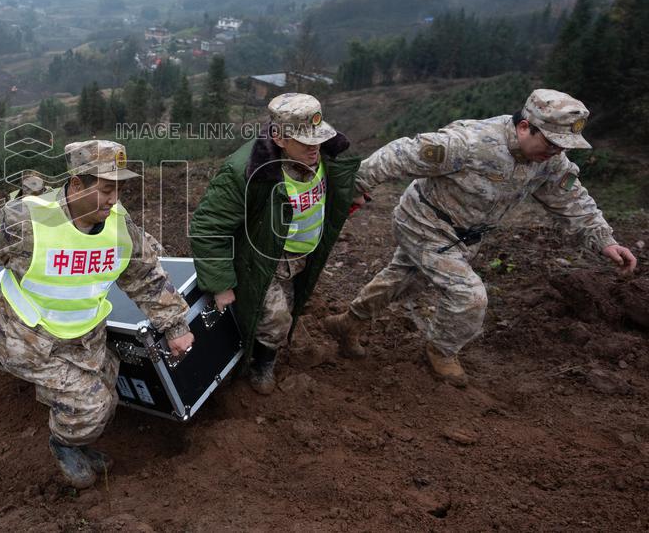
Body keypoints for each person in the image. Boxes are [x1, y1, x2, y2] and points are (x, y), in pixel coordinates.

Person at [0, 140, 194, 489]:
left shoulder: (119, 225)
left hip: (85, 337)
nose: (114, 200)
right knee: (91, 404)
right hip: (30, 341)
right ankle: (64, 443)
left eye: (119, 189)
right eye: (106, 189)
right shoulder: (27, 220)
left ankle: (77, 433)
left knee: (107, 392)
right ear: (77, 184)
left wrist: (175, 326)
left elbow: (145, 276)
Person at [324, 89, 638, 387]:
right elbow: (399, 154)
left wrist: (605, 240)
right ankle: (441, 352)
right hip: (423, 222)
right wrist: (354, 188)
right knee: (469, 296)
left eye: (563, 146)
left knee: (405, 278)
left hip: (465, 236)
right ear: (525, 127)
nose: (557, 151)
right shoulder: (472, 142)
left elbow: (572, 199)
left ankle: (348, 323)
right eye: (552, 142)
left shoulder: (550, 161)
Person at [190, 93, 361, 394]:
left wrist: (353, 194)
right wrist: (220, 284)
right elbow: (208, 226)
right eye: (305, 142)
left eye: (318, 139)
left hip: (303, 255)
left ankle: (265, 347)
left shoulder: (328, 153)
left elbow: (340, 182)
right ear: (280, 138)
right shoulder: (247, 171)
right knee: (275, 318)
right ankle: (259, 365)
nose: (315, 148)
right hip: (263, 258)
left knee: (288, 309)